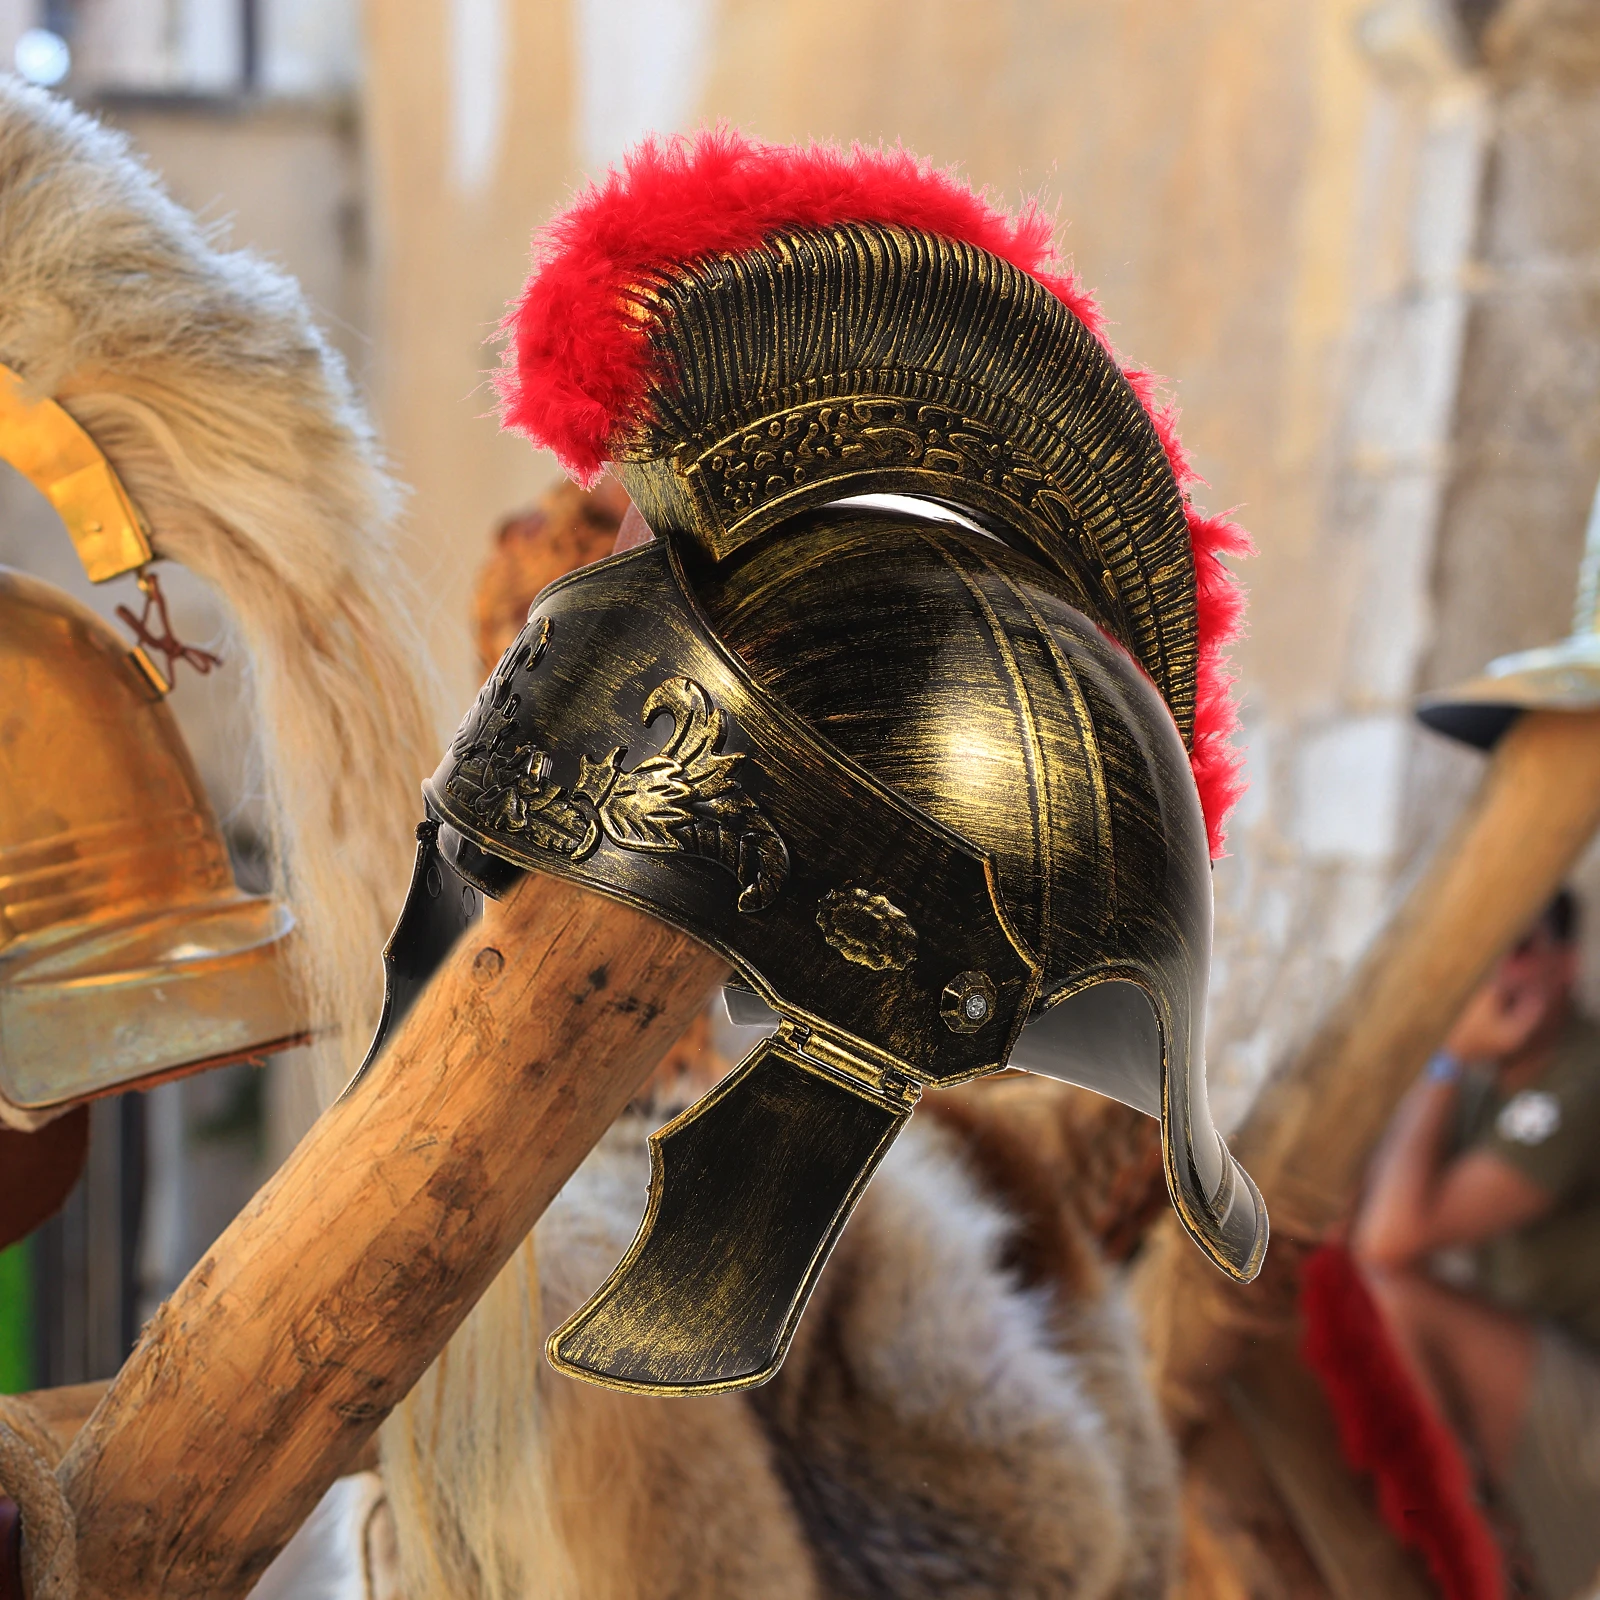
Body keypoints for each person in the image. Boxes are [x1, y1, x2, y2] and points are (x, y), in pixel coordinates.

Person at [1353, 889, 1600, 1599]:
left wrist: (1446, 1057)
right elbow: (1356, 1215)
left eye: (1521, 948)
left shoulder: (1582, 1080)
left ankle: (1470, 1543)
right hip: (1534, 1388)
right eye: (1490, 947)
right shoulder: (1489, 1083)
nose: (1502, 972)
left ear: (1567, 965)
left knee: (1390, 1298)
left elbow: (1390, 1243)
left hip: (1585, 1409)